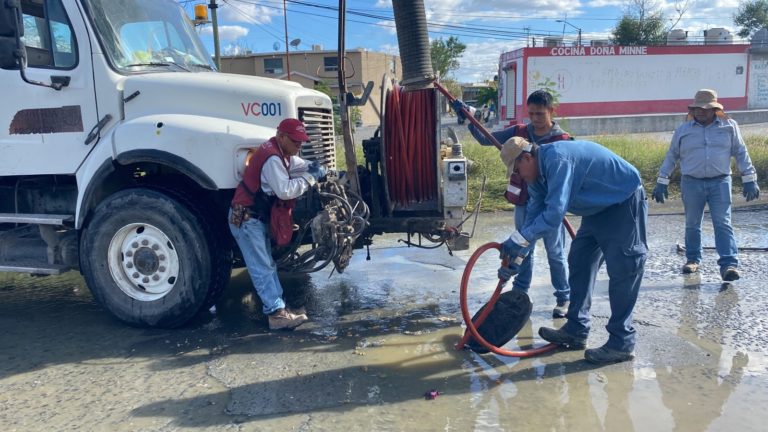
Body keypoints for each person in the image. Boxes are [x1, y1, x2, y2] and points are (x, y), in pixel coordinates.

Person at [497, 137, 648, 365]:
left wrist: (518, 240)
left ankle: (621, 343)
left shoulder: (558, 160)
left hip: (622, 201)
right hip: (596, 209)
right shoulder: (537, 175)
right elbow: (535, 216)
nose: (520, 177)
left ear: (527, 157)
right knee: (579, 261)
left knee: (624, 270)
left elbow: (554, 215)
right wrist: (519, 255)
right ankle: (576, 329)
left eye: (518, 170)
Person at [453, 90, 571, 318]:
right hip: (525, 201)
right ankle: (520, 293)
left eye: (540, 114)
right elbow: (486, 137)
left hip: (550, 206)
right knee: (522, 246)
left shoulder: (561, 140)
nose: (535, 119)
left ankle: (563, 297)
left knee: (554, 251)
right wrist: (468, 116)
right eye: (532, 113)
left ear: (552, 112)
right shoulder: (519, 132)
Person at [652, 89, 760, 281]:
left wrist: (749, 178)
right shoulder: (683, 130)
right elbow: (672, 156)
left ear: (714, 110)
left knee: (723, 223)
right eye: (696, 108)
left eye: (704, 109)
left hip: (720, 181)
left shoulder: (729, 126)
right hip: (691, 183)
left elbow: (741, 152)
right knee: (692, 224)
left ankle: (728, 264)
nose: (700, 112)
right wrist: (662, 181)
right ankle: (693, 259)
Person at [229, 118, 326, 330]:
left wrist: (315, 167)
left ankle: (280, 308)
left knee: (268, 265)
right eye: (295, 141)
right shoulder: (273, 159)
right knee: (262, 267)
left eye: (301, 142)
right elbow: (285, 190)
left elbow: (299, 165)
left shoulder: (280, 152)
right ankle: (276, 315)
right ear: (281, 136)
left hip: (253, 217)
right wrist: (311, 178)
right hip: (246, 219)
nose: (299, 146)